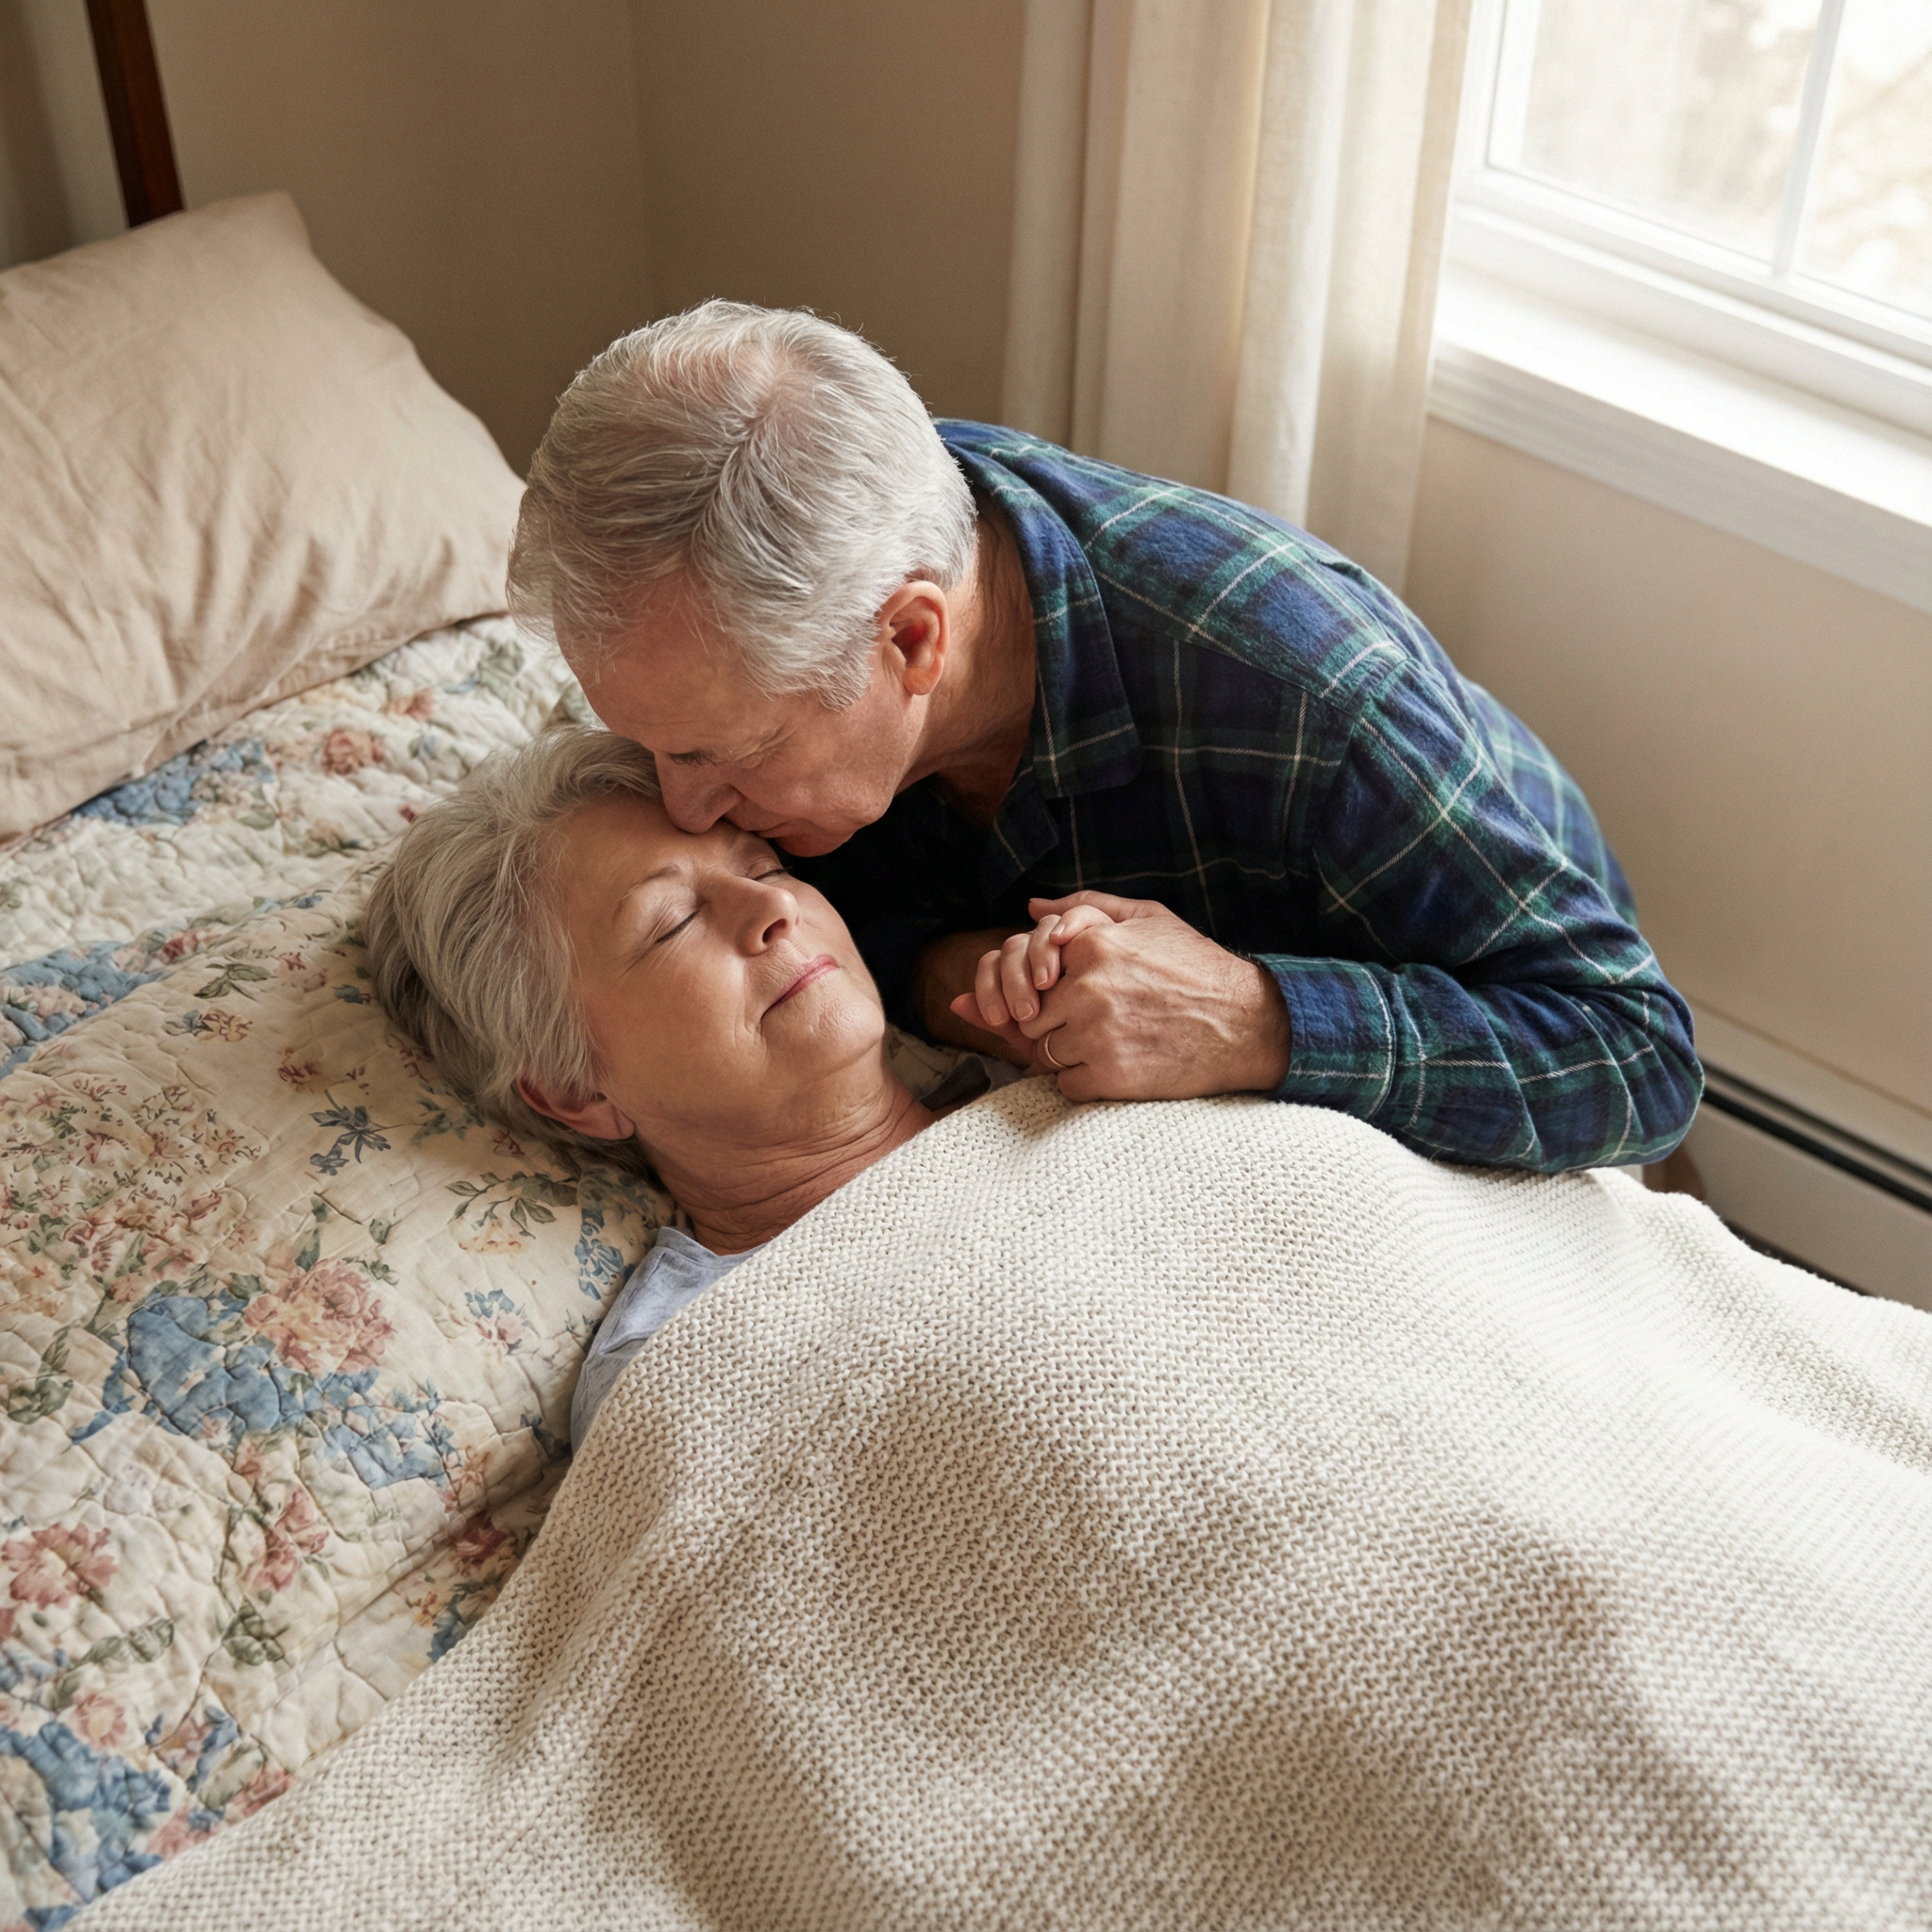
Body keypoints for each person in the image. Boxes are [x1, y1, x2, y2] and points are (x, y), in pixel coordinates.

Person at [505, 302, 1702, 1174]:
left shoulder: (1310, 699)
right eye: (651, 743)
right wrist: (949, 968)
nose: (682, 807)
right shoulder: (799, 563)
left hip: (1503, 975)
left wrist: (1250, 1015)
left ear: (912, 641)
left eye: (721, 752)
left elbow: (1636, 1055)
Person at [363, 725, 1022, 1446]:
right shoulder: (673, 1377)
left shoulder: (1071, 1061)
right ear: (576, 1091)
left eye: (765, 869)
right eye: (673, 923)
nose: (774, 910)